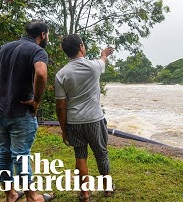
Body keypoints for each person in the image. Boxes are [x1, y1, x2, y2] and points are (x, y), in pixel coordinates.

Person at [0, 20, 54, 202]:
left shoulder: (5, 48)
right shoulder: (37, 51)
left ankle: (11, 194)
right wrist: (36, 100)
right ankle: (31, 197)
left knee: (5, 154)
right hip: (21, 112)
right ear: (43, 35)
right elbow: (41, 73)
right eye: (48, 35)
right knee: (21, 155)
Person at [55, 34, 113, 201]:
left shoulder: (61, 74)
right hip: (94, 119)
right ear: (81, 46)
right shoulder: (93, 67)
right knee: (101, 154)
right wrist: (104, 54)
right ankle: (107, 189)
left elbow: (60, 106)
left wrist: (64, 129)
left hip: (73, 122)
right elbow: (102, 61)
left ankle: (85, 194)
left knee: (80, 156)